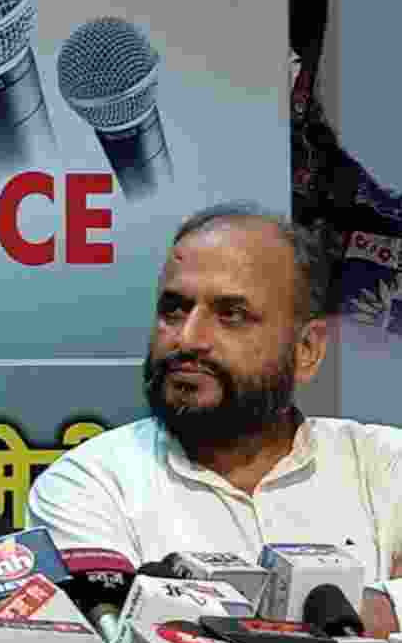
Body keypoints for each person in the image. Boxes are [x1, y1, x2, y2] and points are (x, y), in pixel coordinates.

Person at [28, 202, 402, 604]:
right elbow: (122, 637)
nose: (188, 338)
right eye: (174, 309)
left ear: (306, 349)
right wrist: (377, 606)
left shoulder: (386, 465)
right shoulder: (89, 486)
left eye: (231, 314)